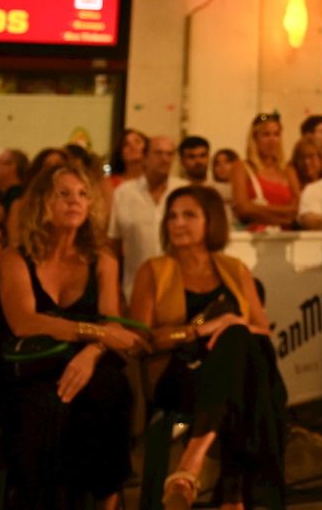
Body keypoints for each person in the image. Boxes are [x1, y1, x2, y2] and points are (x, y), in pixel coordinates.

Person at [0, 165, 145, 509]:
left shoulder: (102, 259)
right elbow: (24, 322)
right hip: (32, 365)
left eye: (82, 194)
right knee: (50, 403)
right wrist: (95, 333)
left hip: (86, 361)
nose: (74, 202)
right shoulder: (15, 257)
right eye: (63, 194)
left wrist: (90, 353)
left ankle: (105, 502)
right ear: (41, 202)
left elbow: (112, 324)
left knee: (110, 388)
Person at [130, 186, 285, 509]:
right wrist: (200, 331)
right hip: (176, 373)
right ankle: (239, 493)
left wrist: (230, 327)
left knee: (243, 342)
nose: (178, 223)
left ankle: (191, 465)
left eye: (189, 215)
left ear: (211, 221)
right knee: (259, 383)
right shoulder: (153, 270)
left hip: (229, 373)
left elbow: (262, 329)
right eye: (172, 216)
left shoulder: (234, 269)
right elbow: (142, 340)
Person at [107, 135, 185, 298]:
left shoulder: (184, 191)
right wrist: (114, 291)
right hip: (135, 289)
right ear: (145, 157)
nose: (164, 159)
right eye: (158, 153)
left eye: (169, 154)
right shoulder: (124, 193)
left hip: (178, 288)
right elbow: (113, 246)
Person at [229, 114, 300, 230]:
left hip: (286, 237)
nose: (272, 140)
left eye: (276, 134)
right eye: (266, 135)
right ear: (255, 138)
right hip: (254, 238)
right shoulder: (242, 167)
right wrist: (284, 213)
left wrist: (258, 209)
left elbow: (297, 209)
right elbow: (243, 208)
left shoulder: (288, 170)